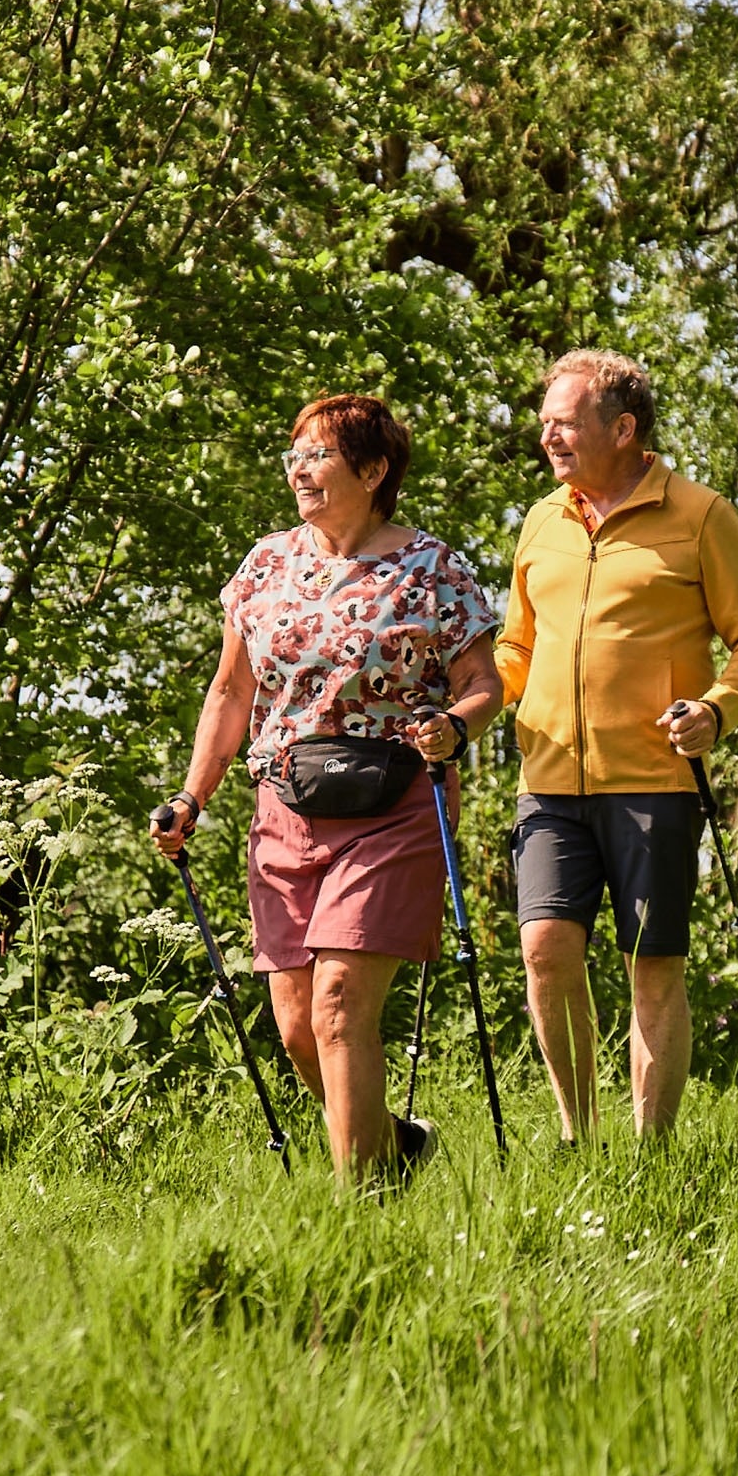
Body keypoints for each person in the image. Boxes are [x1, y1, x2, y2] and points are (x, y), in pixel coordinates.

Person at [151, 394, 503, 1178]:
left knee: (341, 1005)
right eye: (296, 455)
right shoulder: (266, 565)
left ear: (373, 471)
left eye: (318, 455)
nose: (300, 470)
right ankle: (394, 1148)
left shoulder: (432, 568)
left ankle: (362, 1210)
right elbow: (230, 693)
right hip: (287, 804)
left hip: (395, 802)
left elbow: (485, 680)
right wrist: (191, 797)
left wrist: (455, 725)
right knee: (299, 1027)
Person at [495, 351, 738, 1143]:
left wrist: (717, 711)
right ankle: (576, 1137)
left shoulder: (699, 515)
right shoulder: (542, 520)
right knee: (545, 951)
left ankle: (650, 1150)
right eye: (545, 419)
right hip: (549, 779)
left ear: (622, 429)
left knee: (650, 966)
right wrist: (468, 701)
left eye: (566, 421)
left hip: (654, 783)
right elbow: (517, 649)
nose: (548, 434)